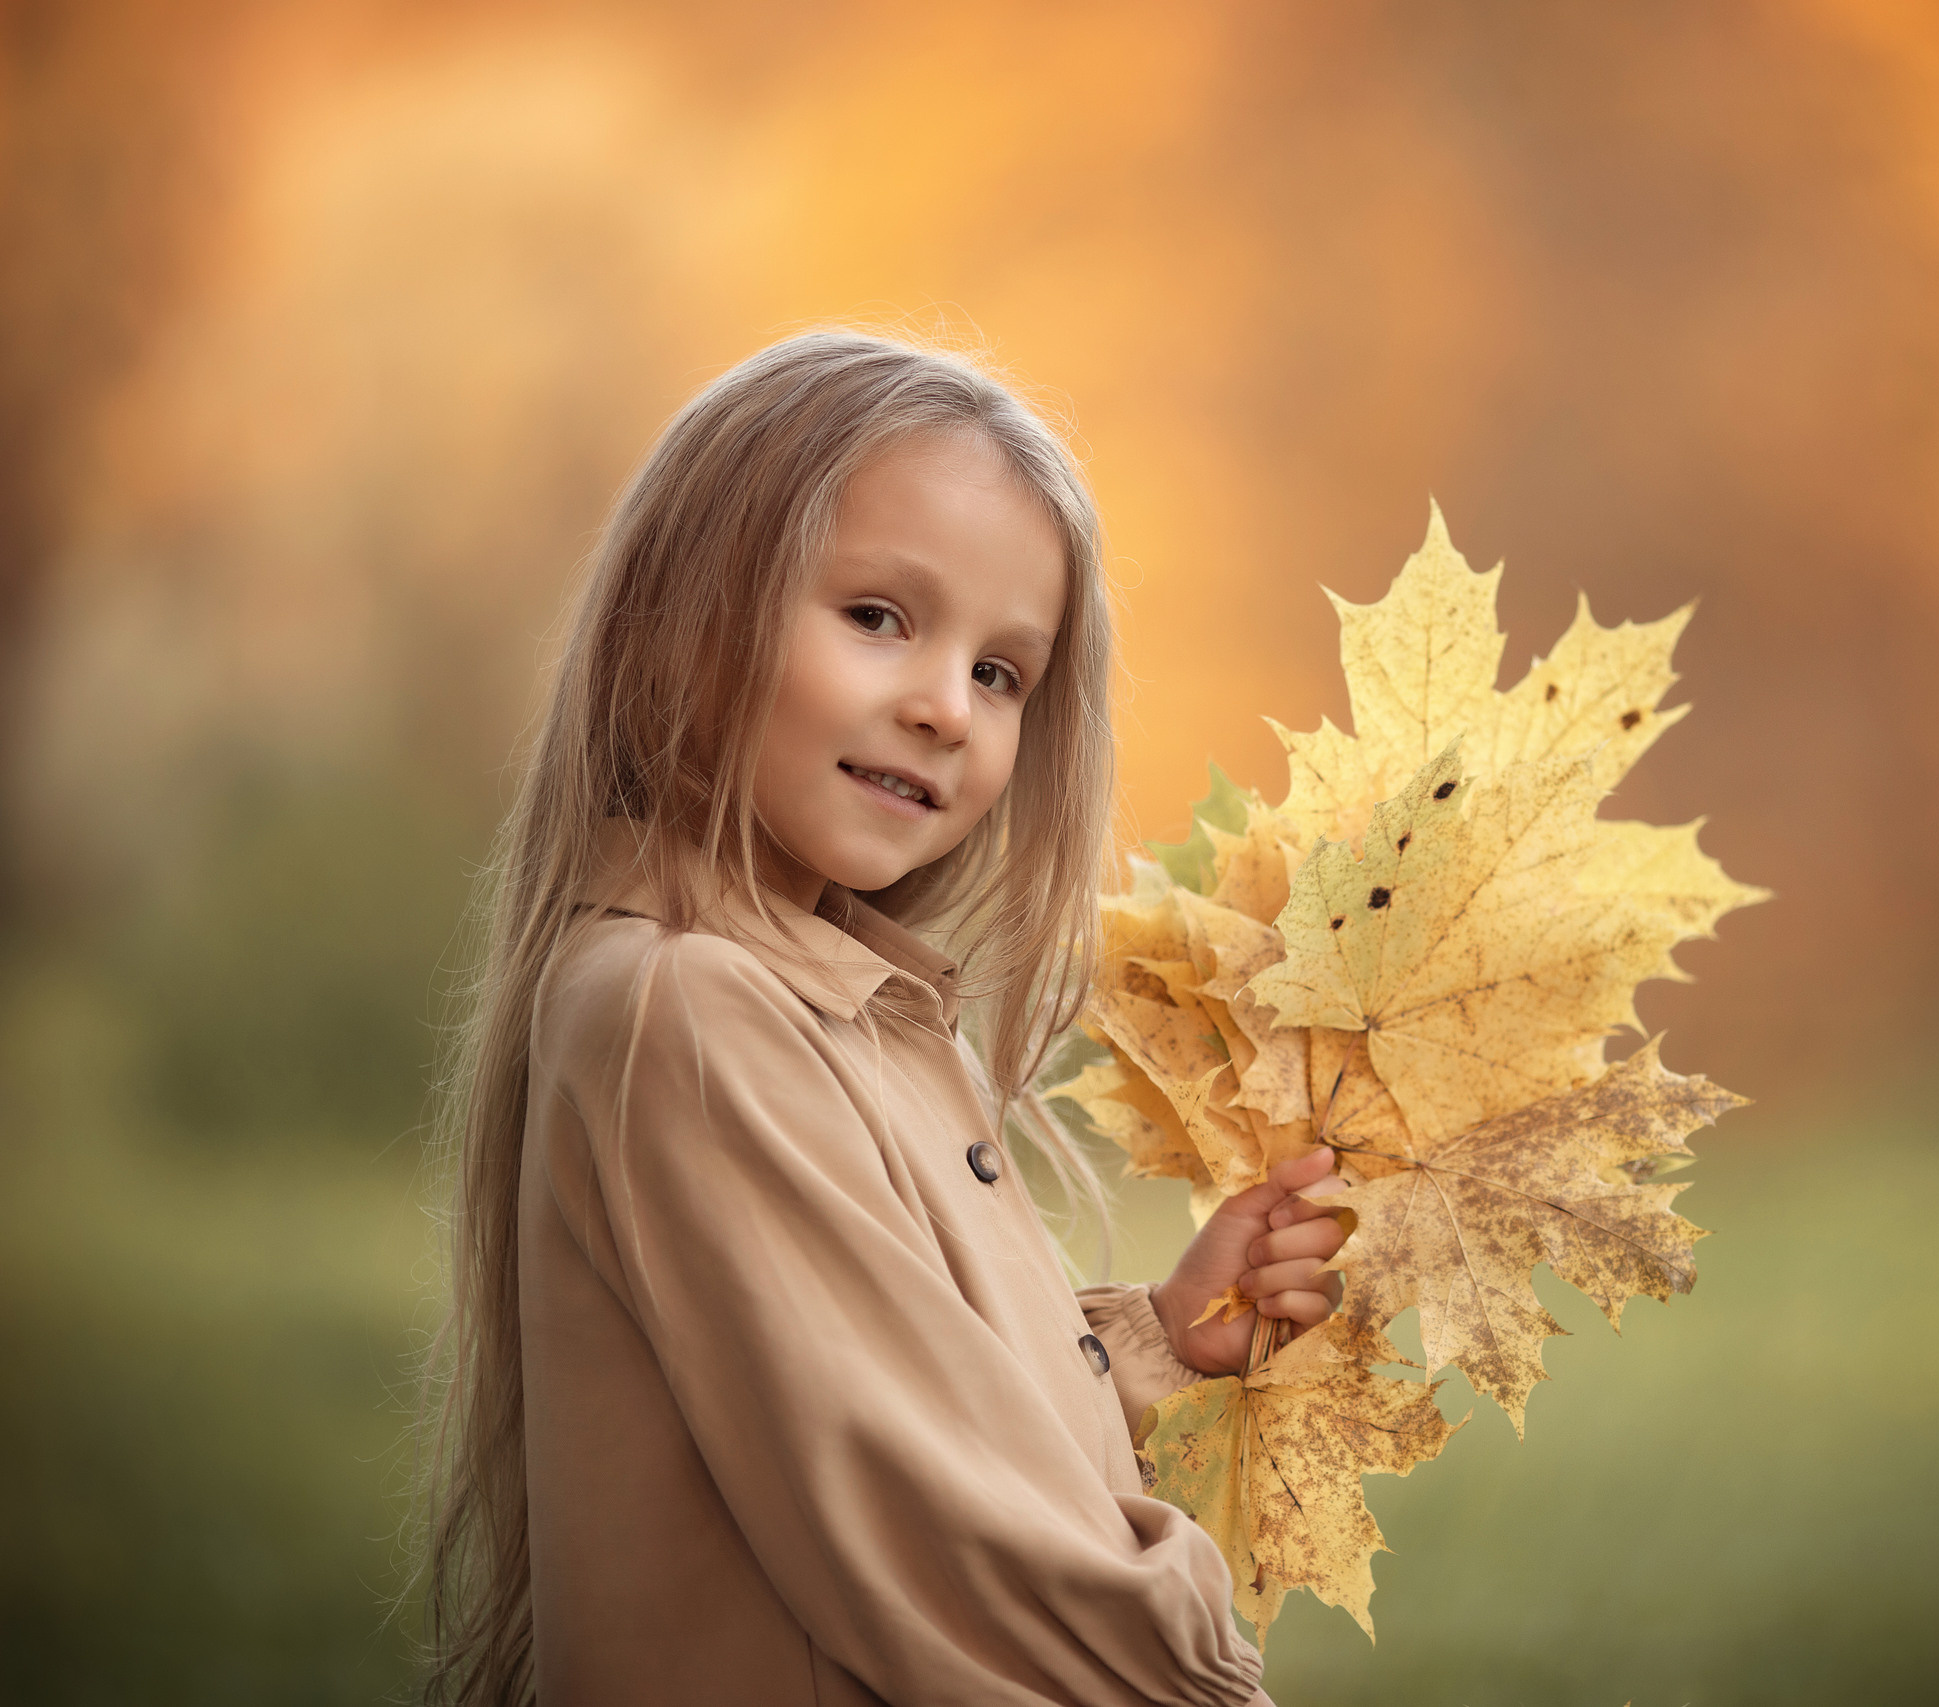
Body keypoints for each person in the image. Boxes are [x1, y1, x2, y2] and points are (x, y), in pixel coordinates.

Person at [417, 331, 1348, 1706]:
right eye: (878, 618)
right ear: (679, 615)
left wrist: (1152, 1338)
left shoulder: (850, 1006)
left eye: (1001, 675)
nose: (944, 709)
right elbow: (958, 1553)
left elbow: (911, 1422)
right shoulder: (689, 1009)